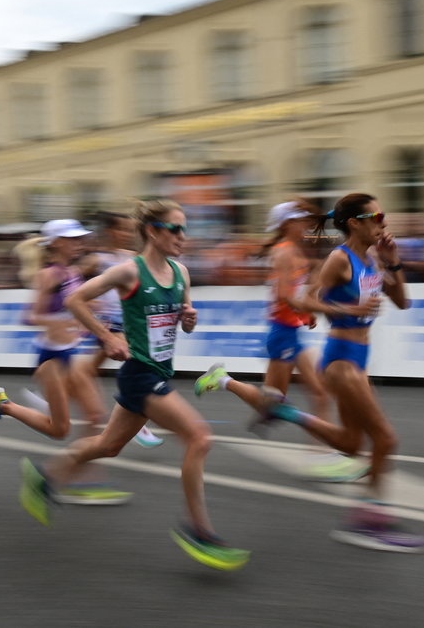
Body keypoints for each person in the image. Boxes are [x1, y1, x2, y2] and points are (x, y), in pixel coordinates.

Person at [18, 200, 251, 571]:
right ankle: (199, 530)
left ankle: (44, 478)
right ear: (153, 232)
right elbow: (75, 299)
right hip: (139, 374)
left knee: (108, 446)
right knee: (199, 437)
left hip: (159, 373)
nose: (183, 237)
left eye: (184, 229)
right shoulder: (129, 272)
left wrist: (188, 318)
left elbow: (183, 322)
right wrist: (106, 338)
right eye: (176, 229)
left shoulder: (181, 273)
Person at [197, 193, 424, 553]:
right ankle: (370, 520)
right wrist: (350, 307)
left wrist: (394, 263)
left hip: (360, 357)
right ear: (355, 222)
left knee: (351, 444)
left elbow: (403, 302)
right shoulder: (339, 260)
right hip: (340, 360)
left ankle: (284, 410)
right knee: (386, 440)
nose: (383, 222)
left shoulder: (370, 258)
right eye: (377, 216)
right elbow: (303, 299)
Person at [196, 199, 363, 482]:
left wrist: (304, 315)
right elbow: (286, 295)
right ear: (287, 224)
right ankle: (222, 379)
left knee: (321, 392)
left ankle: (321, 457)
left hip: (291, 331)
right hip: (281, 334)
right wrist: (309, 309)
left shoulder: (294, 251)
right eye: (300, 220)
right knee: (271, 404)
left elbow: (292, 296)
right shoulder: (284, 252)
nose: (306, 224)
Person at [0, 219, 132, 505]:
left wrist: (93, 313)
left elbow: (76, 304)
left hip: (70, 355)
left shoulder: (72, 272)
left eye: (80, 238)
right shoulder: (48, 275)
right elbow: (29, 316)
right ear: (55, 243)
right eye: (72, 239)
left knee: (96, 416)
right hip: (50, 360)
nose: (79, 243)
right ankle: (3, 406)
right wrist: (59, 322)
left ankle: (87, 482)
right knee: (59, 430)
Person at [79, 211, 163, 449]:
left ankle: (62, 398)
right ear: (110, 232)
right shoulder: (97, 260)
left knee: (88, 370)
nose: (127, 234)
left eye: (130, 229)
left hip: (128, 323)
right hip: (108, 325)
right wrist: (89, 303)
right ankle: (137, 420)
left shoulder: (132, 258)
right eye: (122, 229)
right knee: (136, 364)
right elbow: (70, 285)